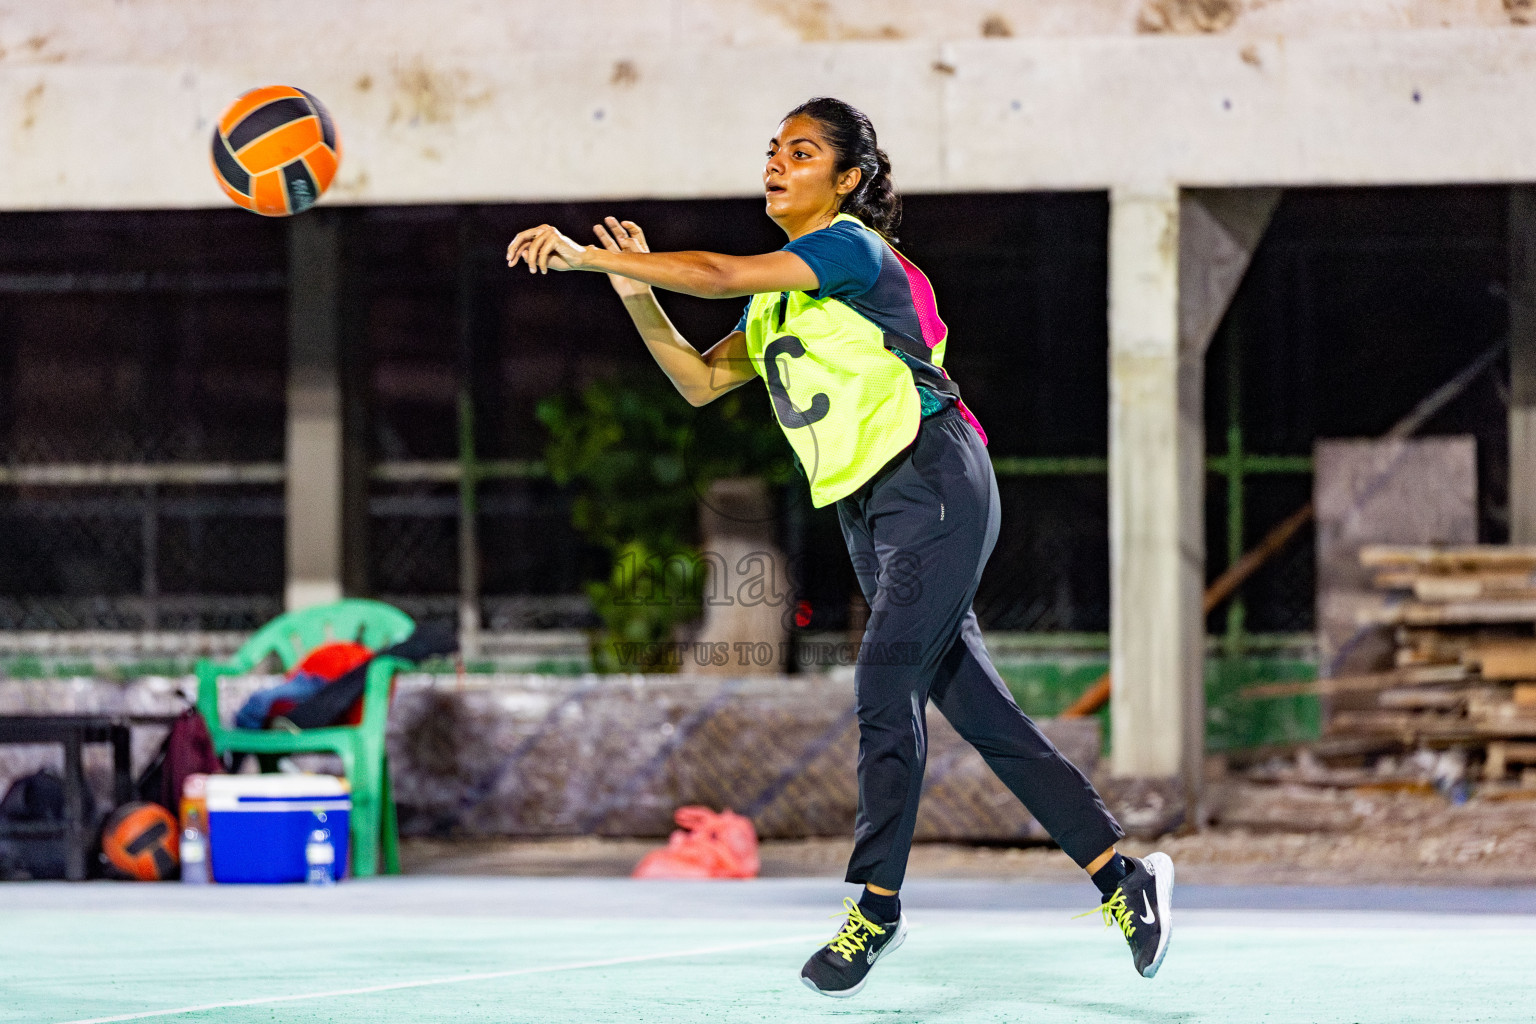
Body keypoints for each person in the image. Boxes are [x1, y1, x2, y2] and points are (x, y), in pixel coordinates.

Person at [506, 96, 1175, 997]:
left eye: (803, 151)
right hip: (869, 507)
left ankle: (876, 906)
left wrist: (596, 253)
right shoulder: (783, 305)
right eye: (772, 150)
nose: (777, 163)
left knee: (880, 680)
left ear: (847, 180)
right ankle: (1121, 879)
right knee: (976, 711)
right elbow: (700, 381)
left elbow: (715, 271)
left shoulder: (850, 250)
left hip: (933, 477)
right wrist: (634, 292)